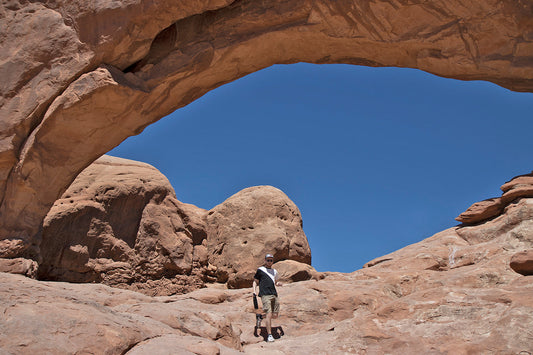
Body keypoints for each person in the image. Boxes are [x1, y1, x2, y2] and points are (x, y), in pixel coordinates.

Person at [252, 253, 282, 342]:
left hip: (274, 294)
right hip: (265, 294)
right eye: (268, 260)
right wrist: (254, 290)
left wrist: (278, 284)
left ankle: (260, 317)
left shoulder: (274, 271)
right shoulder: (260, 270)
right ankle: (269, 335)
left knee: (275, 315)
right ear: (265, 261)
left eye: (271, 260)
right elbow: (255, 281)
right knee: (269, 314)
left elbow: (275, 281)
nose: (269, 262)